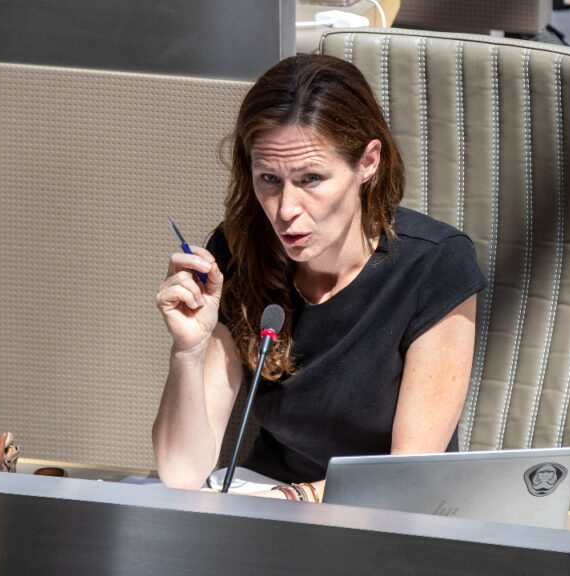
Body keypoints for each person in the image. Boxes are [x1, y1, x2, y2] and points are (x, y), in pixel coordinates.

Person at [152, 54, 486, 502]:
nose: (285, 210)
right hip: (264, 497)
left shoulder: (435, 264)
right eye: (269, 179)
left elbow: (408, 477)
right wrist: (188, 351)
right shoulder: (239, 252)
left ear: (368, 162)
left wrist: (295, 500)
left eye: (311, 178)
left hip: (381, 515)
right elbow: (181, 472)